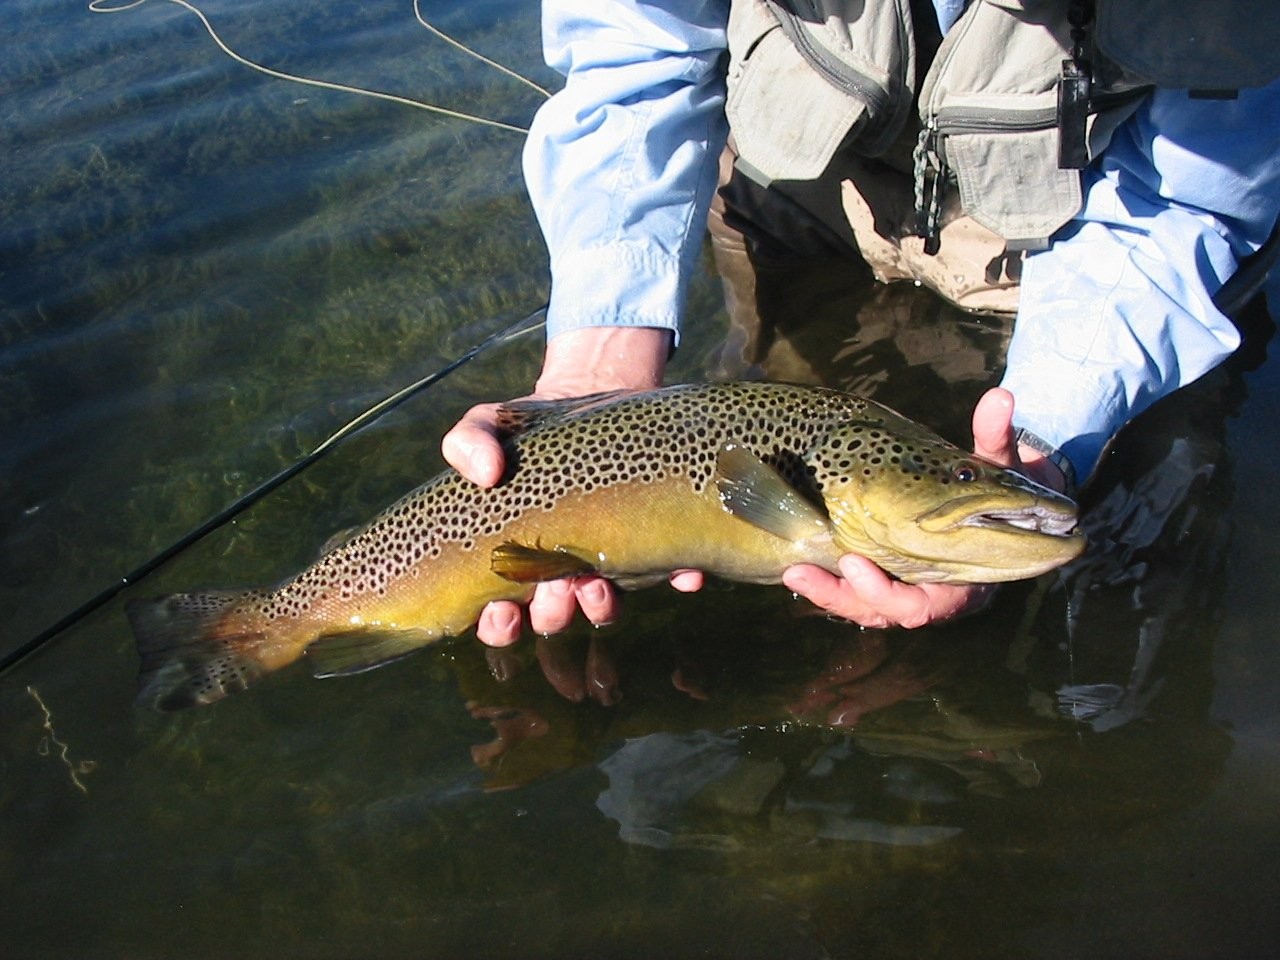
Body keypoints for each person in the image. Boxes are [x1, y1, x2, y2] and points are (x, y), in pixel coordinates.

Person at [441, 0, 1280, 647]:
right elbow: (636, 60)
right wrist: (598, 368)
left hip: (1080, 211)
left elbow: (1188, 196)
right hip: (800, 183)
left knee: (1147, 502)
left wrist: (1051, 438)